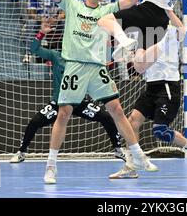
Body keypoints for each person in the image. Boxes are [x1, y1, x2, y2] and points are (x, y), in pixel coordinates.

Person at [42, 0, 158, 184]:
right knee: (63, 112)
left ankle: (137, 155)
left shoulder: (106, 10)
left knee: (116, 109)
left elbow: (132, 0)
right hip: (75, 65)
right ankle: (51, 166)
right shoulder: (72, 4)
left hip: (97, 68)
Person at [109, 10, 187, 178]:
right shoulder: (143, 36)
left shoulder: (170, 31)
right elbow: (139, 65)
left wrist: (167, 9)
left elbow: (184, 31)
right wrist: (131, 55)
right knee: (133, 121)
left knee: (160, 131)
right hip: (151, 86)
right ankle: (131, 165)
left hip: (168, 86)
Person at [10, 19, 125, 163]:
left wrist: (107, 42)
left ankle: (118, 149)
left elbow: (105, 57)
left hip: (80, 103)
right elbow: (34, 50)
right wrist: (41, 33)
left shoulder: (84, 57)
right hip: (59, 104)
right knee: (34, 123)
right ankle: (21, 152)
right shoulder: (56, 56)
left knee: (107, 118)